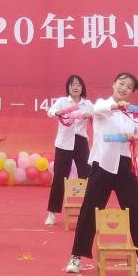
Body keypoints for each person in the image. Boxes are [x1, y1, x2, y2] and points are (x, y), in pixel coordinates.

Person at [66, 72, 138, 276]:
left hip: (124, 167)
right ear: (114, 84)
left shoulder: (131, 115)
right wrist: (115, 106)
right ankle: (76, 256)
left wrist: (135, 136)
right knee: (90, 211)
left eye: (129, 87)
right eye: (121, 84)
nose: (124, 89)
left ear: (132, 92)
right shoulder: (103, 105)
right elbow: (98, 110)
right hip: (102, 164)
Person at [44, 74, 93, 226]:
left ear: (82, 87)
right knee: (59, 177)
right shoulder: (62, 101)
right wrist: (58, 112)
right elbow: (50, 112)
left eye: (78, 84)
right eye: (72, 84)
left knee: (87, 176)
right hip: (64, 143)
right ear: (68, 87)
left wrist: (90, 114)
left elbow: (98, 114)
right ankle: (52, 213)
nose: (75, 87)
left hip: (80, 142)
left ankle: (89, 212)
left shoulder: (87, 104)